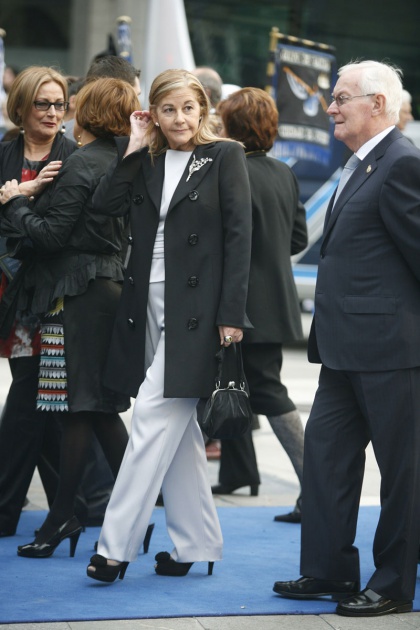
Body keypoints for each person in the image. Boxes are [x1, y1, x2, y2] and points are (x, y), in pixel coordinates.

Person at [85, 68, 252, 583]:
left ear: (203, 109)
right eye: (167, 109)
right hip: (143, 303)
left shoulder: (224, 155)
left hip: (199, 311)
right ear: (152, 114)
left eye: (187, 107)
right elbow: (101, 210)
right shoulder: (147, 158)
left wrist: (231, 313)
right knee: (177, 433)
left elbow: (239, 237)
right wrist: (134, 147)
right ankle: (195, 544)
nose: (179, 118)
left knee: (154, 420)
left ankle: (115, 547)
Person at [273, 60, 420, 617]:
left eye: (339, 99)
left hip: (391, 351)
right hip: (340, 349)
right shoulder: (362, 164)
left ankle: (392, 585)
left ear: (377, 104)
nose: (329, 107)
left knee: (403, 474)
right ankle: (329, 571)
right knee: (327, 461)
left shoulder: (403, 163)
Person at [0, 77, 143, 559]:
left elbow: (51, 237)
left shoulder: (85, 161)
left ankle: (67, 516)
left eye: (70, 103)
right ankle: (94, 515)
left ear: (89, 112)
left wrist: (15, 201)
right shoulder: (122, 159)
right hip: (99, 292)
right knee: (92, 409)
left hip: (75, 294)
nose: (64, 110)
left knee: (83, 406)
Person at [212, 88, 307, 523]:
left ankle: (317, 487)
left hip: (242, 303)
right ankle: (239, 472)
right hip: (274, 303)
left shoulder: (228, 171)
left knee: (264, 392)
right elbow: (298, 240)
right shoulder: (283, 173)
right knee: (238, 387)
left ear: (232, 126)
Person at [0, 66, 77, 538]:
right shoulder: (5, 152)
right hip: (9, 292)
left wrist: (17, 202)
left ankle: (6, 508)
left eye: (59, 103)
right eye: (42, 104)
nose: (52, 112)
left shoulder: (73, 156)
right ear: (22, 107)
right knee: (42, 399)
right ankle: (78, 503)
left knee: (30, 393)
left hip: (54, 295)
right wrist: (18, 193)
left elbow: (62, 234)